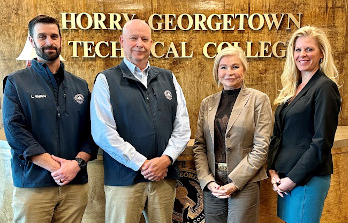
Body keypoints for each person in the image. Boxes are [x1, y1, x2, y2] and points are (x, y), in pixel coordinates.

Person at [90, 19, 191, 223]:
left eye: (145, 39)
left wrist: (165, 160)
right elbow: (103, 133)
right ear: (122, 41)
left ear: (151, 43)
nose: (139, 44)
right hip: (123, 179)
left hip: (163, 177)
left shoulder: (168, 78)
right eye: (133, 38)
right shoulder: (106, 80)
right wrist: (142, 164)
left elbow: (182, 127)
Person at [2, 15, 97, 223]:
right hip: (34, 185)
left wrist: (76, 164)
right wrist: (57, 168)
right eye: (42, 36)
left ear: (61, 40)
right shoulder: (16, 82)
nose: (49, 42)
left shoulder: (80, 85)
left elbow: (93, 132)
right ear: (31, 41)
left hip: (75, 185)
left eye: (54, 36)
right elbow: (14, 130)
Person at [267, 26, 341, 223]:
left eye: (309, 49)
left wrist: (292, 180)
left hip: (307, 179)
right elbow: (279, 135)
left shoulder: (325, 87)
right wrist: (272, 170)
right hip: (285, 178)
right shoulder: (294, 88)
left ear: (321, 54)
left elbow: (321, 142)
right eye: (298, 49)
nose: (302, 55)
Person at [193, 46, 273, 223]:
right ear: (217, 71)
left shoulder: (258, 100)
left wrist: (235, 182)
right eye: (223, 67)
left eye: (235, 67)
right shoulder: (207, 103)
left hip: (244, 183)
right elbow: (200, 146)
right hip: (213, 184)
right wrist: (207, 180)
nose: (229, 72)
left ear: (244, 69)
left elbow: (261, 147)